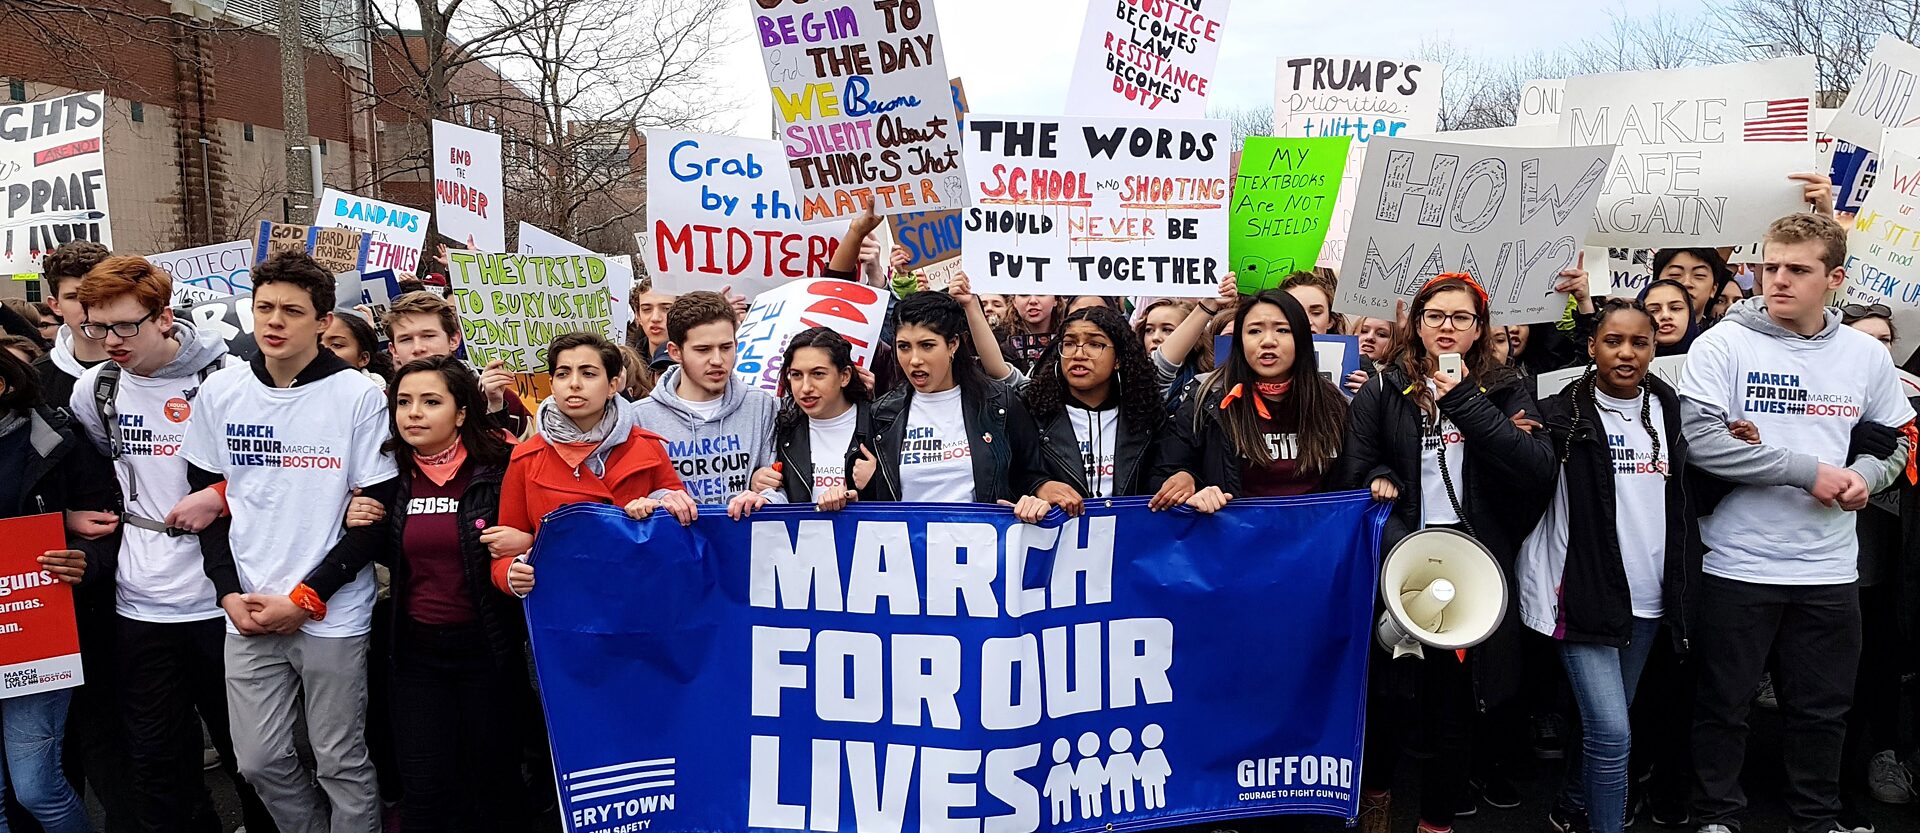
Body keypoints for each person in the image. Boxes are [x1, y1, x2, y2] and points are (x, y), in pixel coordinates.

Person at [1678, 213, 1913, 833]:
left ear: (1834, 278)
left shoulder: (1864, 354)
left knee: (1823, 710)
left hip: (1831, 567)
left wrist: (1866, 476)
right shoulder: (1724, 344)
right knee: (1723, 704)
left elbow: (1894, 441)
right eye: (1769, 266)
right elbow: (1701, 442)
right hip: (1736, 560)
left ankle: (1816, 819)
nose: (1776, 280)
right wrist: (1807, 470)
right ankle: (1715, 817)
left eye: (1797, 270)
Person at [178, 251, 399, 833]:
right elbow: (211, 509)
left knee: (340, 762)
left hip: (330, 612)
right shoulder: (222, 392)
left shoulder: (358, 395)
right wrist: (227, 593)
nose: (274, 321)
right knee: (256, 761)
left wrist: (306, 597)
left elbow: (372, 520)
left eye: (292, 311)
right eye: (264, 307)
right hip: (246, 610)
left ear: (324, 320)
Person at [63, 256, 274, 833]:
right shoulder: (96, 389)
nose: (111, 341)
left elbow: (283, 470)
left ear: (162, 317)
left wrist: (221, 495)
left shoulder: (229, 378)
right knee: (157, 760)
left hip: (223, 596)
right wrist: (70, 516)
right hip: (138, 602)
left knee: (250, 757)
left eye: (126, 326)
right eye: (96, 327)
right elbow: (91, 473)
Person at [1339, 273, 1556, 833]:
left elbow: (1535, 467)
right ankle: (1378, 796)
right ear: (1416, 321)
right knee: (1391, 697)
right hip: (1401, 559)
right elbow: (1356, 466)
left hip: (1473, 566)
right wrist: (1383, 474)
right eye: (1435, 315)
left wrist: (1461, 398)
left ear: (1479, 328)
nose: (1446, 328)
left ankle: (1437, 820)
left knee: (1455, 706)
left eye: (1461, 318)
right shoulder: (1385, 387)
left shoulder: (1504, 388)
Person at [1516, 298, 1695, 833]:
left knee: (1605, 727)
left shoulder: (1671, 411)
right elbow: (1516, 470)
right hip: (1581, 594)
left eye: (1639, 342)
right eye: (1613, 341)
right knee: (1614, 732)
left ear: (1654, 348)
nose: (1626, 352)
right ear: (1592, 347)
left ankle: (1572, 804)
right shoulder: (1556, 414)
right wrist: (1518, 436)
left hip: (1649, 600)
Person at [377, 356, 531, 832]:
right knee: (425, 788)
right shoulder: (387, 475)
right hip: (417, 654)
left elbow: (548, 527)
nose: (414, 414)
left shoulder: (502, 467)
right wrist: (359, 514)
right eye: (404, 402)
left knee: (495, 783)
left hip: (487, 649)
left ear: (461, 412)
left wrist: (527, 542)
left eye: (430, 402)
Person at [490, 332, 692, 598]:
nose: (574, 384)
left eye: (588, 374)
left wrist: (657, 509)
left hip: (640, 600)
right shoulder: (526, 458)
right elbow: (503, 550)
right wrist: (512, 574)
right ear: (551, 384)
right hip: (567, 607)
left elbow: (682, 525)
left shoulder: (648, 448)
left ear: (612, 385)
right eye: (563, 374)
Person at [0, 348, 110, 833]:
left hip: (35, 637)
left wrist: (78, 551)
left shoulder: (53, 435)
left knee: (37, 787)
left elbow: (109, 515)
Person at [1151, 290, 1346, 509]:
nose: (1268, 341)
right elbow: (1162, 474)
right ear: (1239, 342)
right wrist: (1188, 481)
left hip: (1317, 538)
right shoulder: (1206, 400)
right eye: (1254, 331)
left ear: (1301, 338)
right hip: (1233, 539)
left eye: (1282, 330)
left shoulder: (1333, 403)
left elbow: (1356, 476)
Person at [866, 292, 1051, 519]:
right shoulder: (883, 413)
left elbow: (1031, 474)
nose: (914, 359)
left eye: (927, 345)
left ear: (953, 344)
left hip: (983, 548)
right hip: (908, 550)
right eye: (904, 347)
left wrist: (1034, 497)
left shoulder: (999, 403)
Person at [632, 292, 779, 514]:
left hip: (745, 541)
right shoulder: (640, 417)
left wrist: (766, 499)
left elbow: (784, 486)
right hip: (678, 545)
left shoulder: (761, 405)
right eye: (703, 350)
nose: (718, 360)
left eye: (726, 347)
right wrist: (658, 501)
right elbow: (632, 496)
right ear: (675, 352)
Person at [1022, 306, 1163, 505]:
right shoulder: (1032, 410)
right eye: (1069, 343)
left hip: (1127, 532)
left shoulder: (1145, 413)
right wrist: (1039, 486)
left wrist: (1184, 475)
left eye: (1095, 344)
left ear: (1118, 360)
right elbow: (1012, 474)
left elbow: (1162, 473)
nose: (1078, 354)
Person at [761, 327, 875, 510]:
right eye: (797, 375)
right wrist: (758, 482)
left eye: (818, 374)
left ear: (844, 376)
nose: (806, 387)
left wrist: (874, 485)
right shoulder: (781, 429)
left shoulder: (880, 425)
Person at [383, 291, 527, 434]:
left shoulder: (500, 397)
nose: (418, 348)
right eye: (406, 339)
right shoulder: (381, 405)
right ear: (393, 350)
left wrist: (495, 408)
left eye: (428, 336)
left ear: (454, 340)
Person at [36, 240, 113, 412]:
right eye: (73, 297)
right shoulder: (38, 377)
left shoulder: (147, 365)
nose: (87, 305)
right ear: (55, 305)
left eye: (96, 293)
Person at [1654, 248, 1736, 331]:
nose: (1687, 283)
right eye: (1675, 274)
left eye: (1699, 275)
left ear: (1713, 289)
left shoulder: (1723, 338)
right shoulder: (1643, 330)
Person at [325, 311, 395, 387]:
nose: (321, 351)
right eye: (313, 344)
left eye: (336, 345)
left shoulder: (384, 395)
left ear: (363, 358)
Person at [627, 277, 676, 371]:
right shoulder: (625, 367)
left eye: (666, 309)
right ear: (638, 315)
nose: (655, 318)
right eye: (646, 309)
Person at [1640, 279, 1701, 355]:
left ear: (1690, 313)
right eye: (1654, 311)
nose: (1665, 316)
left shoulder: (1711, 352)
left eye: (1675, 308)